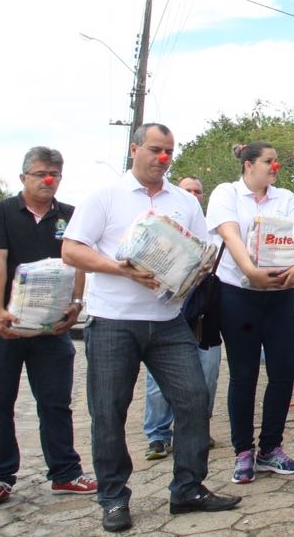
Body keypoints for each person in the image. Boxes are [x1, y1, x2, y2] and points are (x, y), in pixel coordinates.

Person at [62, 123, 240, 533]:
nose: (163, 158)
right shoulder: (105, 196)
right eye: (156, 150)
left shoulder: (183, 201)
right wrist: (120, 269)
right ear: (134, 149)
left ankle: (188, 489)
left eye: (169, 152)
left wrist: (188, 275)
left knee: (194, 399)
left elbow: (203, 254)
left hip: (167, 321)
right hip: (113, 322)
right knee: (108, 412)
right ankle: (113, 499)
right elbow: (71, 250)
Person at [0, 146, 97, 511]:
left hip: (51, 330)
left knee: (56, 403)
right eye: (41, 173)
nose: (48, 180)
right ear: (23, 176)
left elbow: (77, 264)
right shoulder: (0, 213)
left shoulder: (70, 217)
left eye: (55, 174)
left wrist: (75, 306)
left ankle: (65, 473)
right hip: (2, 328)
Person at [206, 141, 294, 484]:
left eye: (276, 161)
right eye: (268, 161)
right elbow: (229, 236)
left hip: (281, 296)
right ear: (248, 165)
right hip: (239, 294)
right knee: (244, 375)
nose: (275, 167)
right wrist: (250, 271)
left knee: (283, 373)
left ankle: (271, 449)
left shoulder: (286, 198)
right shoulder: (226, 193)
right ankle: (243, 452)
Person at [143, 175, 222, 458]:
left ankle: (198, 428)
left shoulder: (211, 229)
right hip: (167, 310)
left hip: (204, 312)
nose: (193, 194)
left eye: (198, 191)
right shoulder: (161, 228)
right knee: (157, 379)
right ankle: (158, 435)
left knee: (207, 374)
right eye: (188, 189)